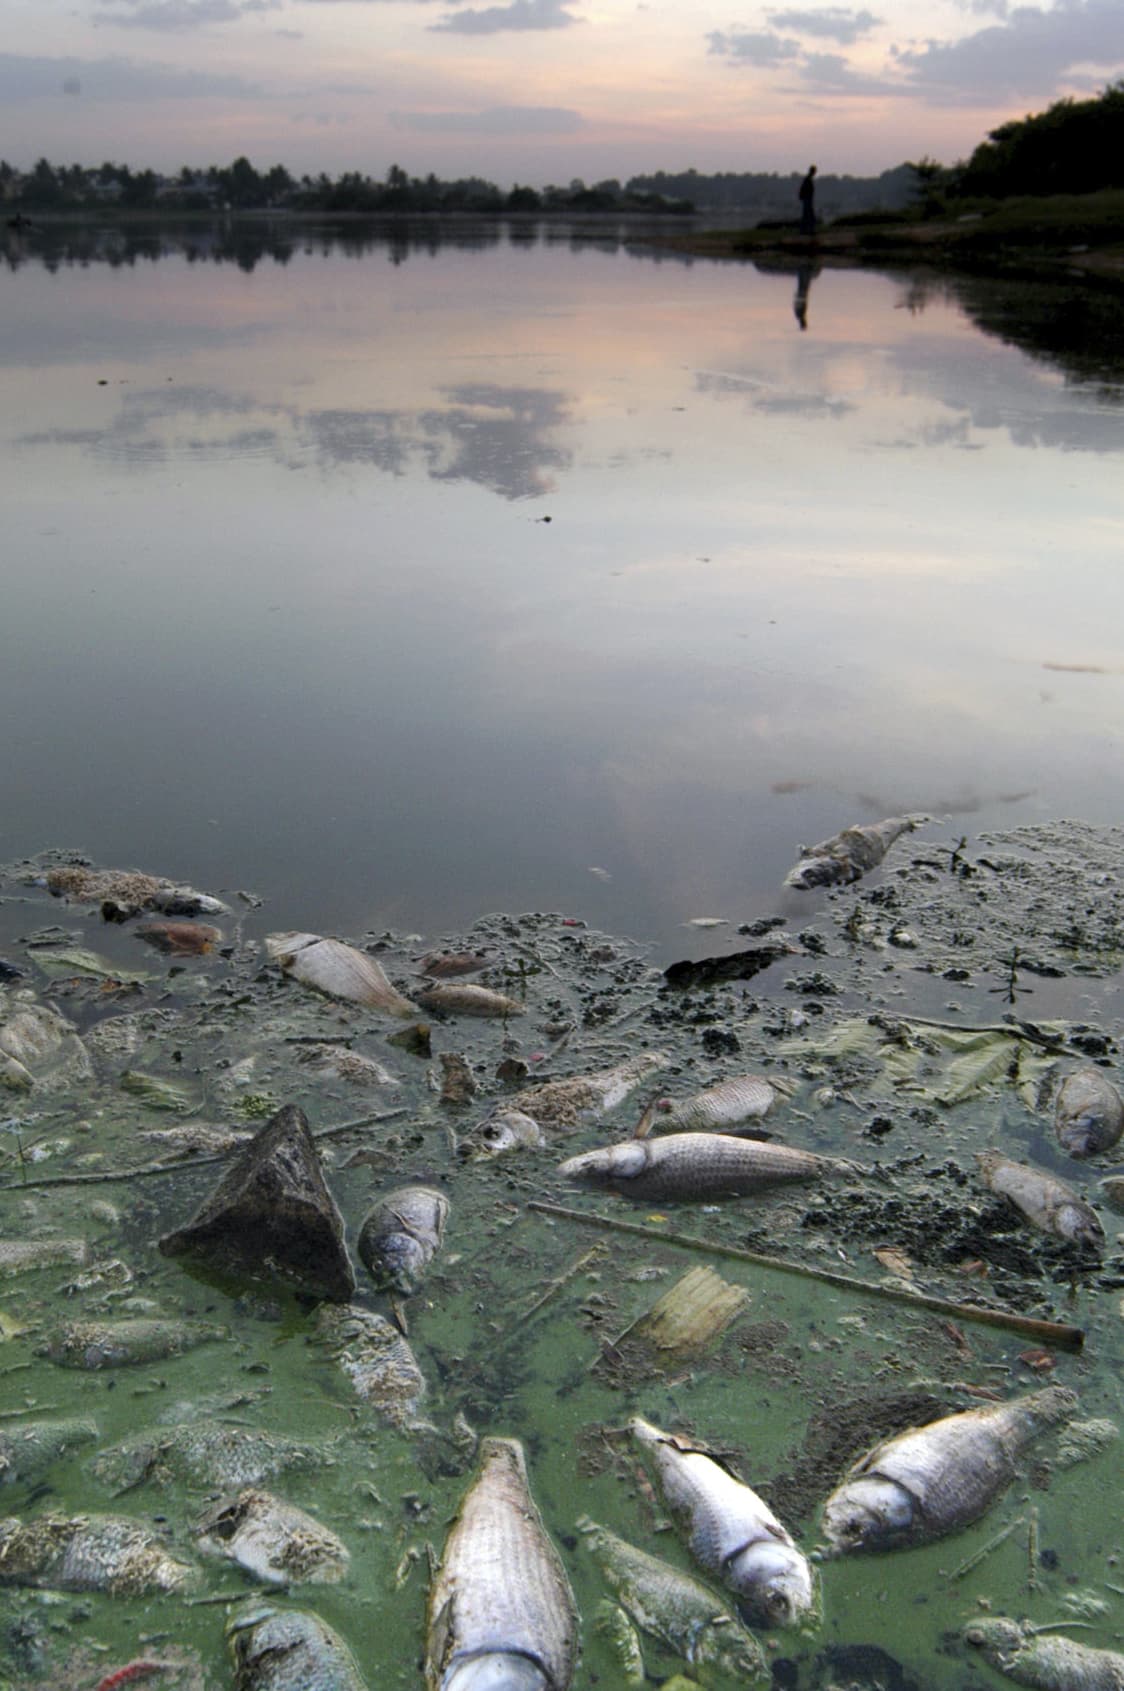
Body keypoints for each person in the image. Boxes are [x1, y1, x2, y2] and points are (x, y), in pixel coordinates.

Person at [798, 164, 817, 236]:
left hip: (807, 199)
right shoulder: (808, 179)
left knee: (806, 216)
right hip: (807, 199)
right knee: (809, 216)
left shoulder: (807, 179)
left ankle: (804, 230)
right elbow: (805, 190)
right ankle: (809, 230)